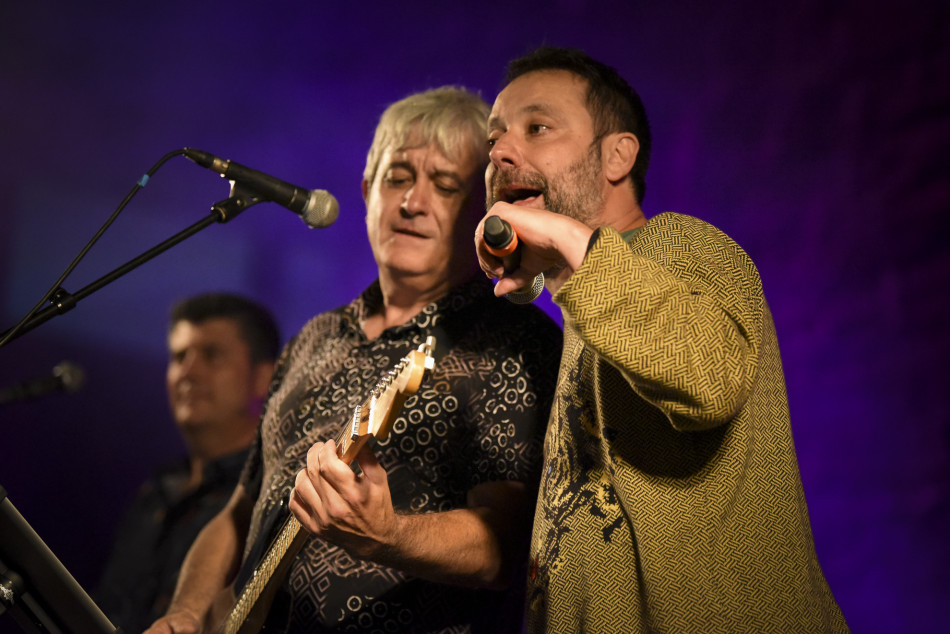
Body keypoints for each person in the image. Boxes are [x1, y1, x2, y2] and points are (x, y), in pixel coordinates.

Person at [145, 87, 562, 634]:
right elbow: (238, 513)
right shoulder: (314, 338)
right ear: (367, 191)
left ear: (480, 210)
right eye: (397, 177)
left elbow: (507, 546)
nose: (412, 202)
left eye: (445, 185)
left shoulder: (511, 340)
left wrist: (390, 535)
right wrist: (185, 613)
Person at [474, 46, 849, 633]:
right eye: (495, 138)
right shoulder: (586, 307)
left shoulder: (679, 246)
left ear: (617, 155)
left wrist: (572, 247)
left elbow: (709, 378)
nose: (498, 151)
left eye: (537, 127)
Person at [96, 292, 280, 633]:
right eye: (179, 356)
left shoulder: (269, 492)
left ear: (264, 377)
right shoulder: (156, 490)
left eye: (212, 355)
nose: (188, 372)